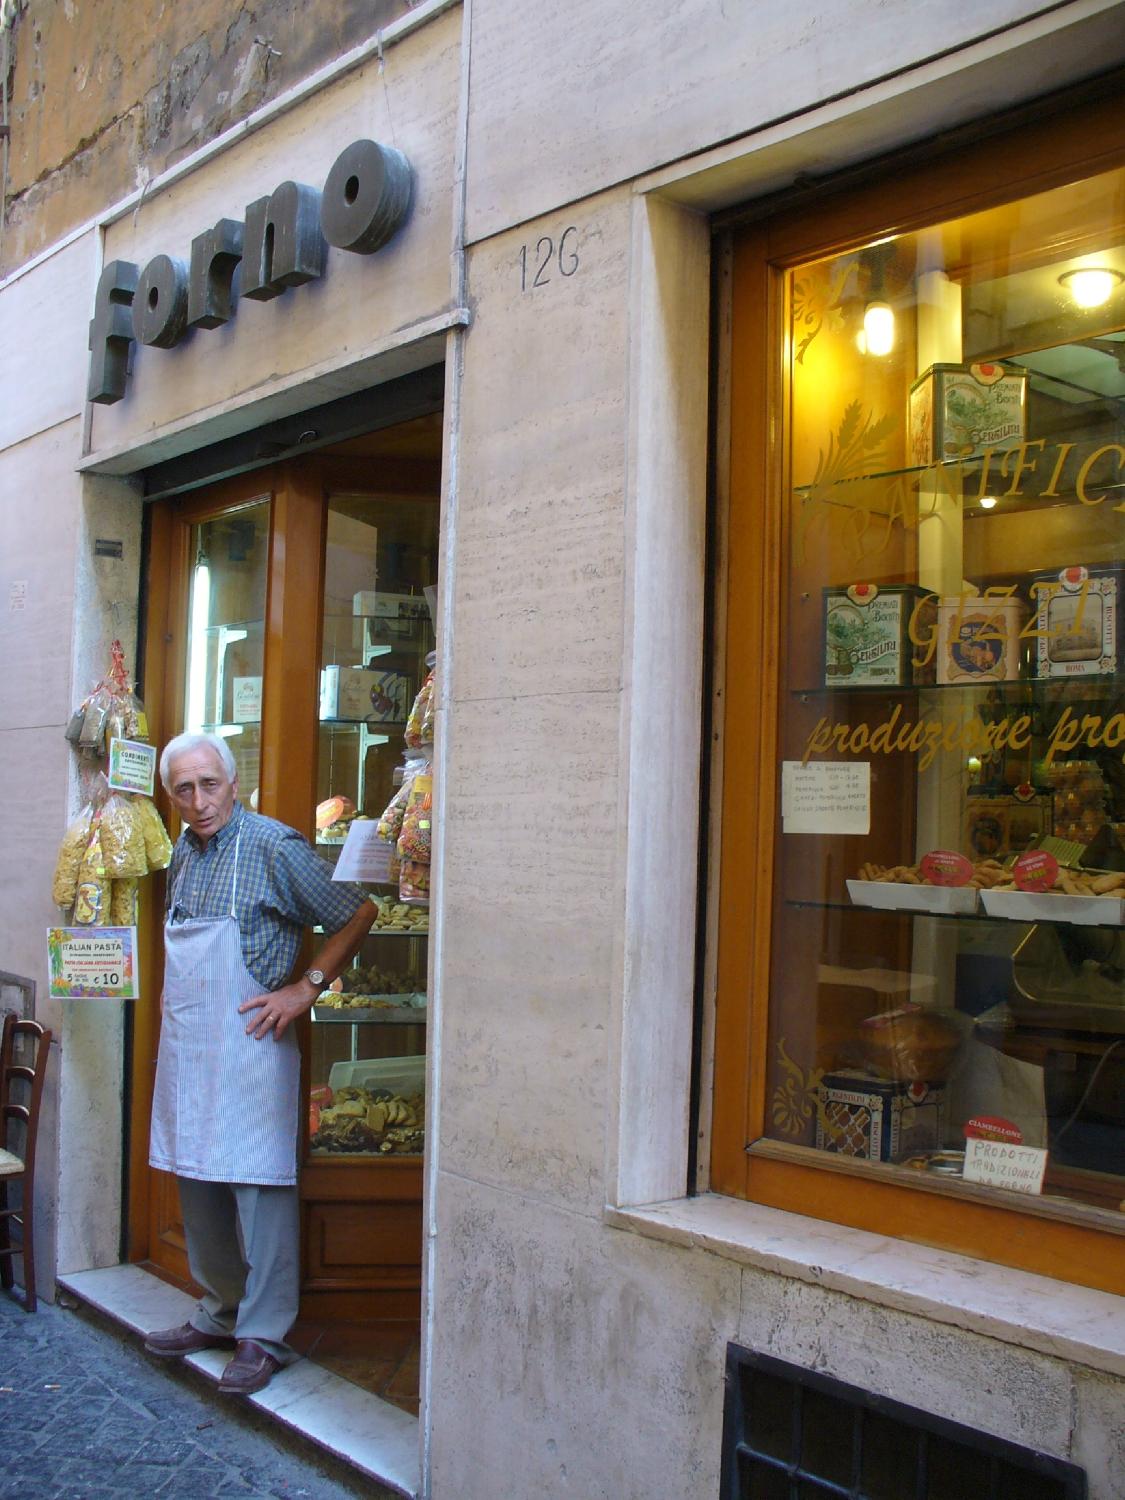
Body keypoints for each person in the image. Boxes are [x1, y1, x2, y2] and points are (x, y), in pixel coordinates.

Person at [143, 732, 376, 1395]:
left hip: (251, 1044)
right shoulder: (184, 853)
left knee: (258, 1186)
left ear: (233, 782)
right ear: (172, 797)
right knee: (199, 1179)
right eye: (183, 790)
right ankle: (218, 1311)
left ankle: (264, 1335)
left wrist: (307, 987)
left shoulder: (275, 846)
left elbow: (357, 913)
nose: (198, 800)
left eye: (208, 784)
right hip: (192, 1046)